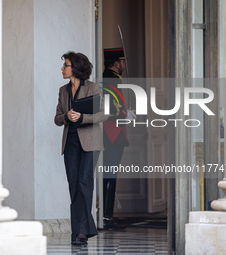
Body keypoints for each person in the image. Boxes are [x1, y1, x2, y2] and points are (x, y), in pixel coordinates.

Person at [55, 51, 107, 245]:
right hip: (70, 142)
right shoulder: (62, 90)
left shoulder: (94, 88)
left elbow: (103, 114)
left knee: (84, 183)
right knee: (73, 185)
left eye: (66, 65)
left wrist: (83, 118)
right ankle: (80, 230)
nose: (62, 68)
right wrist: (66, 116)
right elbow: (57, 118)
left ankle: (81, 232)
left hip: (90, 142)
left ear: (75, 67)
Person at [102, 48, 128, 229]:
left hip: (115, 132)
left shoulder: (113, 78)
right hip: (112, 133)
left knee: (110, 175)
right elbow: (109, 108)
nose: (124, 65)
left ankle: (107, 216)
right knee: (109, 175)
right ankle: (106, 217)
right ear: (117, 64)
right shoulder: (111, 79)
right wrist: (124, 115)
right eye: (123, 62)